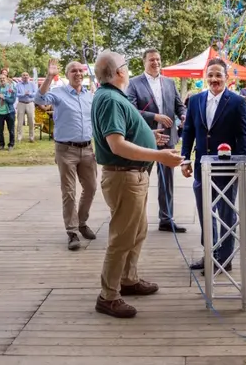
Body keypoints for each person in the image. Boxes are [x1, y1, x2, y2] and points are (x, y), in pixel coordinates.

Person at [91, 50, 183, 318]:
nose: (128, 69)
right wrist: (159, 156)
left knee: (136, 231)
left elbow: (125, 132)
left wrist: (147, 135)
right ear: (119, 72)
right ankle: (108, 296)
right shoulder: (109, 99)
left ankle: (128, 280)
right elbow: (116, 144)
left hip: (132, 175)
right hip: (124, 175)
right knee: (122, 237)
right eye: (125, 65)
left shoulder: (114, 96)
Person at [181, 58, 246, 275]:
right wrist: (185, 158)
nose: (214, 79)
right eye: (210, 75)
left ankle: (226, 257)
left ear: (226, 78)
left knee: (227, 213)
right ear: (205, 78)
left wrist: (243, 160)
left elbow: (243, 134)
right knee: (205, 212)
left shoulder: (237, 102)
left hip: (227, 168)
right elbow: (189, 131)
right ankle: (210, 254)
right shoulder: (195, 101)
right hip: (203, 166)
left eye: (218, 75)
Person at [35, 59, 98, 251]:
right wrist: (49, 76)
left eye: (81, 71)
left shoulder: (90, 95)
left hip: (87, 149)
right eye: (73, 71)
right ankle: (72, 232)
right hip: (66, 150)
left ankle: (81, 222)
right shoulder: (58, 93)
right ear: (67, 74)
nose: (78, 74)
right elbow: (39, 100)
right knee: (69, 192)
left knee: (91, 188)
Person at [126, 48, 187, 233]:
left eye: (158, 59)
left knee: (167, 181)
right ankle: (135, 219)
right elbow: (130, 109)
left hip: (168, 138)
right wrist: (155, 117)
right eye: (152, 60)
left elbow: (178, 105)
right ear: (144, 62)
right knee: (141, 179)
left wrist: (183, 115)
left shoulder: (169, 82)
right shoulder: (134, 83)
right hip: (145, 138)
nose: (156, 63)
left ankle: (166, 219)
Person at [0, 74, 17, 151]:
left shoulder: (12, 88)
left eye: (3, 78)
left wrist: (4, 97)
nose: (2, 80)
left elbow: (12, 101)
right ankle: (1, 145)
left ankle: (11, 145)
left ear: (6, 79)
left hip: (9, 111)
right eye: (0, 78)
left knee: (11, 130)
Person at [15, 72, 37, 144]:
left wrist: (29, 94)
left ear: (29, 76)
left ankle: (31, 137)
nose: (25, 76)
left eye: (26, 75)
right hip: (21, 103)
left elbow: (35, 93)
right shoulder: (18, 85)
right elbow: (16, 94)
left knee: (31, 121)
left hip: (30, 103)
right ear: (21, 77)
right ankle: (19, 137)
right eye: (23, 75)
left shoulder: (32, 84)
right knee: (20, 121)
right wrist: (23, 94)